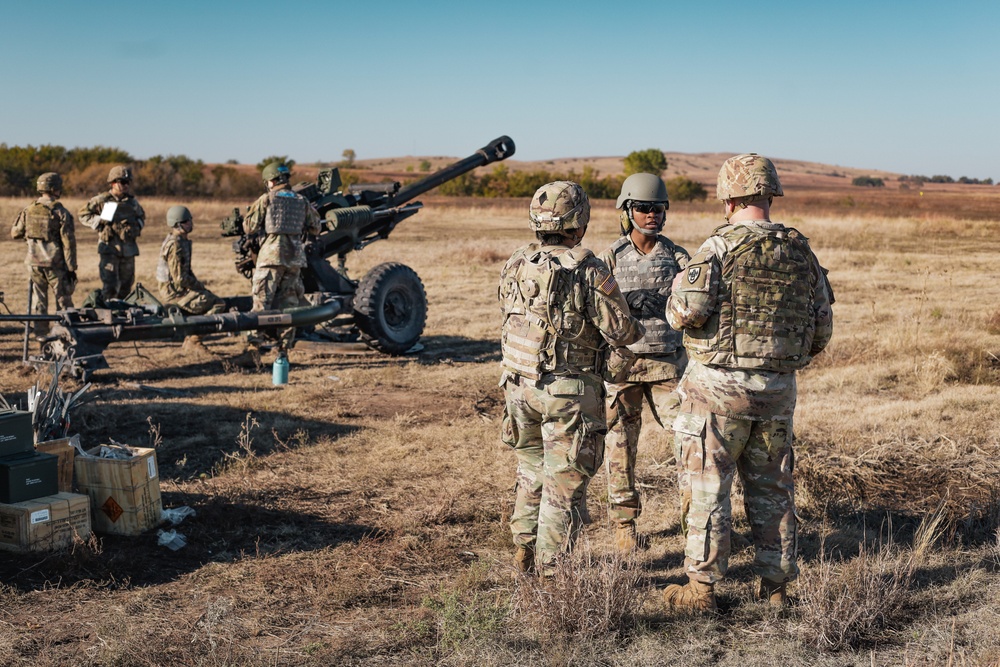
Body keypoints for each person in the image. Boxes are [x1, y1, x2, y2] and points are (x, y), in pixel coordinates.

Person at [662, 154, 834, 610]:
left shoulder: (716, 250)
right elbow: (822, 330)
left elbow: (686, 314)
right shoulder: (802, 252)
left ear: (729, 197)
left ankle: (701, 590)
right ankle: (776, 589)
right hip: (777, 395)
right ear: (769, 194)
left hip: (715, 396)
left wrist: (678, 290)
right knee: (773, 489)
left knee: (707, 490)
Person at [499, 180, 644, 576]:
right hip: (566, 392)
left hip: (518, 386)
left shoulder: (516, 261)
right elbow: (623, 331)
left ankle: (523, 553)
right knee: (563, 485)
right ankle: (552, 574)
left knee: (530, 469)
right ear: (579, 222)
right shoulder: (588, 269)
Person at [597, 173, 690, 552]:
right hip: (624, 366)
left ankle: (693, 523)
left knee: (689, 443)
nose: (652, 214)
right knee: (620, 446)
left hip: (669, 366)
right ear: (627, 211)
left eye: (658, 208)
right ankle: (624, 527)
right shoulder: (609, 258)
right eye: (643, 208)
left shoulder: (679, 257)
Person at [243, 161, 321, 350]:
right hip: (294, 258)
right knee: (290, 306)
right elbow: (316, 227)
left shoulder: (266, 199)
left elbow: (249, 227)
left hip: (271, 257)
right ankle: (284, 347)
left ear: (270, 181)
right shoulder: (302, 201)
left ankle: (254, 347)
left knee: (262, 302)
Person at [10, 172, 77, 339]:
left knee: (39, 301)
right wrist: (71, 268)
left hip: (34, 263)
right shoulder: (60, 212)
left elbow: (15, 233)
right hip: (55, 264)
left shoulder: (28, 210)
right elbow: (68, 243)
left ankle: (41, 336)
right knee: (63, 300)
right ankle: (65, 333)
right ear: (55, 189)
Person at [156, 205, 226, 351]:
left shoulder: (181, 241)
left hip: (178, 290)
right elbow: (180, 279)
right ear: (178, 224)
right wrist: (199, 287)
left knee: (209, 297)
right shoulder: (176, 245)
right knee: (218, 304)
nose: (191, 223)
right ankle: (194, 340)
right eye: (187, 221)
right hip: (174, 294)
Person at [78, 165, 145, 300]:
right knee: (110, 286)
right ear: (113, 183)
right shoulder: (101, 200)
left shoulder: (132, 203)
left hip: (128, 250)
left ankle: (123, 314)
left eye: (127, 182)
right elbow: (83, 215)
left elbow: (141, 217)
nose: (125, 186)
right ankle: (108, 314)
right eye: (122, 182)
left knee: (126, 286)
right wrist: (100, 221)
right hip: (109, 249)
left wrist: (135, 227)